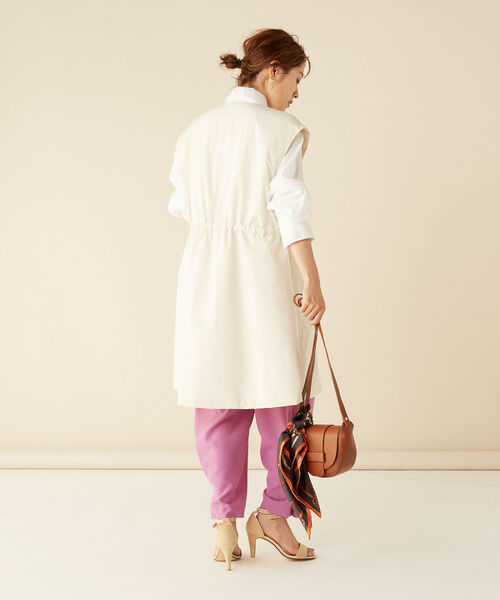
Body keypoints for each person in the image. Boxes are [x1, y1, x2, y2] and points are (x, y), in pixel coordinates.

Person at [167, 28, 326, 569]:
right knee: (282, 400)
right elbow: (291, 211)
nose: (297, 93)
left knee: (219, 397)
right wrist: (311, 279)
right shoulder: (281, 131)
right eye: (296, 79)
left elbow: (181, 206)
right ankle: (275, 513)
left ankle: (225, 525)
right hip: (262, 273)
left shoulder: (195, 132)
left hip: (205, 274)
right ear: (273, 70)